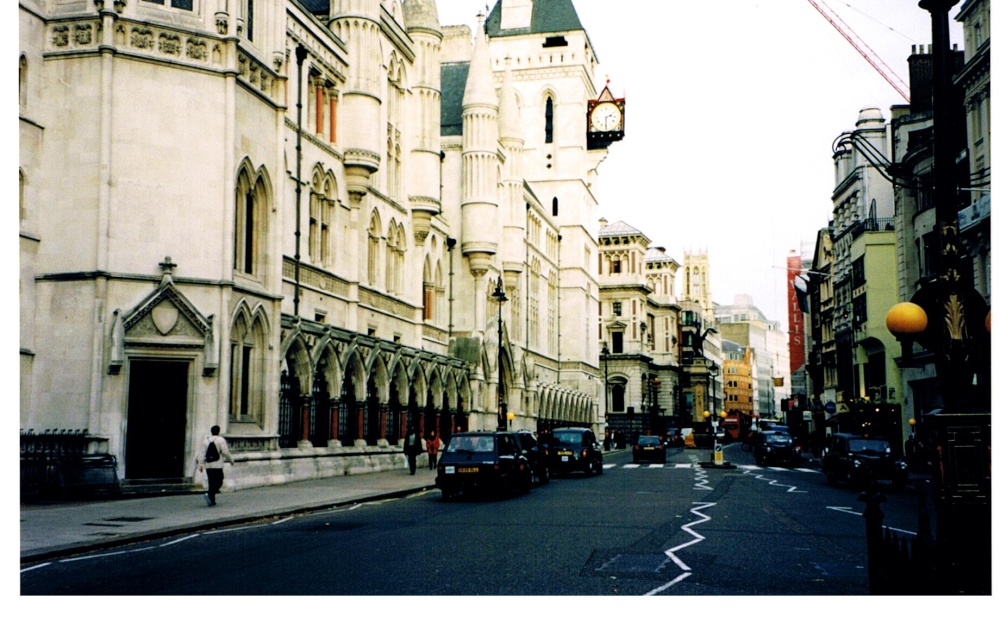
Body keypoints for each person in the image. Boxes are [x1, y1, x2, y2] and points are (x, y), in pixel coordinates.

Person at [197, 425, 235, 506]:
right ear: (218, 431)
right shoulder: (221, 440)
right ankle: (210, 494)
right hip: (217, 465)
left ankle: (212, 500)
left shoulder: (205, 441)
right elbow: (225, 452)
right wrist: (231, 460)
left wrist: (201, 464)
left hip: (208, 465)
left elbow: (202, 453)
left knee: (211, 482)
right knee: (219, 480)